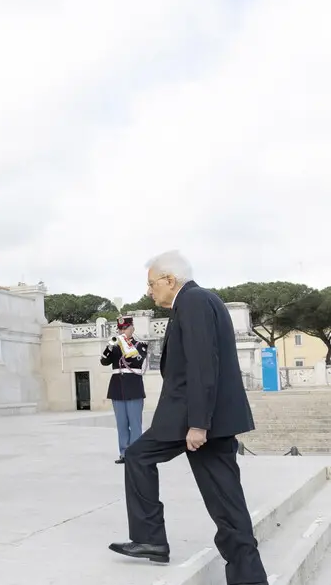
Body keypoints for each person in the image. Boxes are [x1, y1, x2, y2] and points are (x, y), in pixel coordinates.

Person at [110, 251, 267, 585]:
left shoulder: (193, 301)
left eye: (152, 284)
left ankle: (151, 538)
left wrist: (199, 423)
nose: (149, 292)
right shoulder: (201, 301)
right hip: (205, 418)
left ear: (170, 280)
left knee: (139, 456)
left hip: (196, 420)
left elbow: (202, 365)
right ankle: (247, 576)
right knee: (225, 501)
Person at [100, 316, 147, 464]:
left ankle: (135, 453)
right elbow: (104, 361)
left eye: (125, 328)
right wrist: (110, 346)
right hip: (117, 389)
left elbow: (136, 360)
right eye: (120, 329)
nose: (122, 331)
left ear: (132, 328)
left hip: (133, 388)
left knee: (135, 423)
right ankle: (124, 453)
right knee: (121, 424)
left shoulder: (140, 345)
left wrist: (125, 343)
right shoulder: (115, 346)